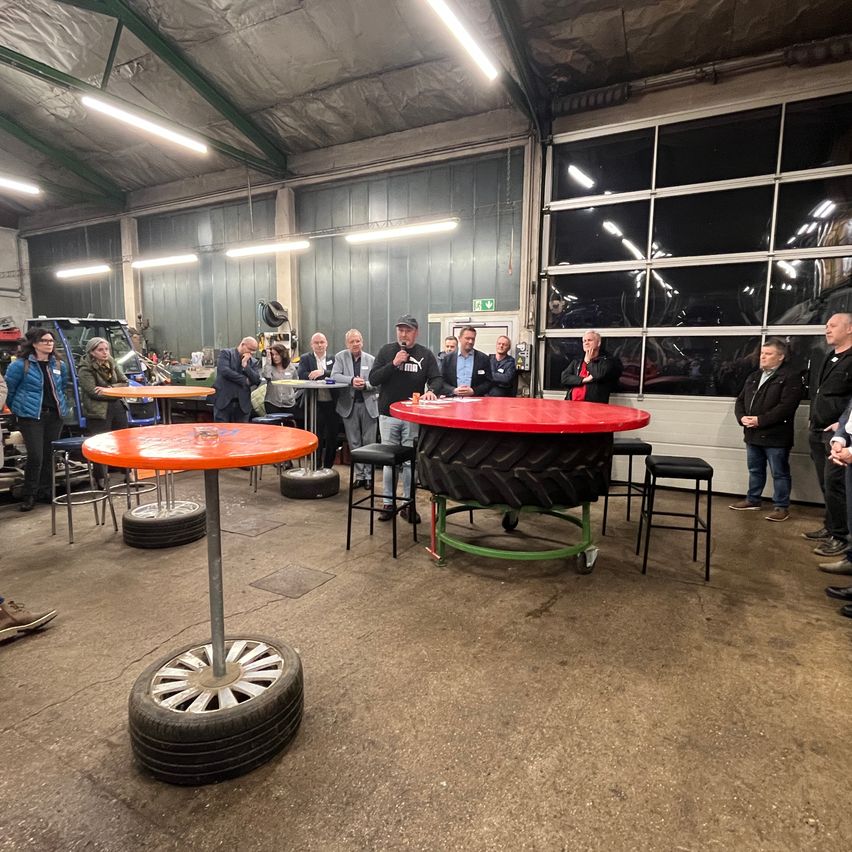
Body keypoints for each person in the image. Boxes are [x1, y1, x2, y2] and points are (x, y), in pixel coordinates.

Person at [369, 315, 442, 523]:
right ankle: (388, 503)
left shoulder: (425, 355)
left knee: (410, 463)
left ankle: (408, 505)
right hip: (388, 415)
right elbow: (373, 379)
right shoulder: (386, 352)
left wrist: (432, 391)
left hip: (412, 417)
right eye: (400, 330)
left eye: (407, 330)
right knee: (389, 463)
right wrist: (393, 364)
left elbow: (436, 378)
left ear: (415, 332)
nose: (403, 334)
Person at [728, 338, 802, 522]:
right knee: (755, 469)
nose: (763, 357)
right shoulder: (754, 376)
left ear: (781, 357)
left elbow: (786, 406)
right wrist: (742, 417)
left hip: (776, 436)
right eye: (762, 353)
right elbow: (740, 400)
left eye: (768, 354)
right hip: (752, 434)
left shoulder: (790, 377)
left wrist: (760, 420)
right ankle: (753, 499)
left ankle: (781, 507)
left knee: (779, 472)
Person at [4, 327, 70, 511]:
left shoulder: (58, 365)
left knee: (50, 455)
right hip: (31, 417)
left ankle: (46, 492)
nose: (49, 344)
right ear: (34, 344)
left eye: (51, 341)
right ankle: (29, 494)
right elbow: (9, 391)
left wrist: (61, 407)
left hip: (54, 416)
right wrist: (19, 409)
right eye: (45, 341)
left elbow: (62, 387)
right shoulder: (19, 365)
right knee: (36, 456)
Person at [803, 313, 852, 559]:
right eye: (826, 326)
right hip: (818, 429)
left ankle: (841, 536)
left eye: (833, 326)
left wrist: (841, 424)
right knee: (825, 483)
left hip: (838, 435)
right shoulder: (828, 357)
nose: (827, 330)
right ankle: (831, 526)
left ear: (850, 329)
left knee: (836, 484)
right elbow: (820, 392)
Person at [78, 337, 129, 487]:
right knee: (101, 444)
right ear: (92, 352)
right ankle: (101, 477)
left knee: (124, 441)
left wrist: (110, 389)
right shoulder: (85, 368)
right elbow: (93, 392)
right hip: (98, 411)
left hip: (118, 406)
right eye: (100, 350)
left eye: (106, 349)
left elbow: (125, 382)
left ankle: (128, 474)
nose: (105, 352)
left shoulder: (111, 363)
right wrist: (116, 390)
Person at [332, 329, 379, 490]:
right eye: (352, 341)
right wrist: (351, 380)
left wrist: (365, 384)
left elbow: (377, 381)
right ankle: (359, 476)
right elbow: (334, 376)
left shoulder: (371, 359)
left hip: (369, 405)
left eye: (357, 341)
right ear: (347, 344)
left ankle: (369, 476)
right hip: (348, 407)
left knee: (369, 443)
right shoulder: (340, 357)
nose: (355, 344)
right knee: (354, 443)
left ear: (362, 342)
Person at [298, 332, 339, 469]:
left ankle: (328, 467)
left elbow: (337, 374)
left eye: (322, 342)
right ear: (311, 344)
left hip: (332, 404)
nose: (320, 345)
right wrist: (324, 377)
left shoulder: (334, 359)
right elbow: (302, 375)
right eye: (316, 342)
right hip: (314, 404)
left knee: (332, 436)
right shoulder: (305, 359)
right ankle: (316, 465)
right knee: (317, 436)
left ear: (327, 343)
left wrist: (322, 373)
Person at [561, 330, 622, 403]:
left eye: (589, 340)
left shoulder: (607, 361)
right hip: (572, 404)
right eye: (584, 341)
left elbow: (598, 375)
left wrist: (588, 361)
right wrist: (585, 380)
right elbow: (564, 378)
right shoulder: (577, 362)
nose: (586, 343)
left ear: (598, 343)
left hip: (593, 406)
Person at [213, 336, 260, 423]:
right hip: (224, 402)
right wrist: (244, 380)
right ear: (242, 345)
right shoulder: (226, 354)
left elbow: (256, 380)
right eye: (250, 349)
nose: (251, 353)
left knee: (241, 433)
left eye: (254, 350)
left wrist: (246, 366)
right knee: (222, 432)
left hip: (242, 405)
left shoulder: (253, 362)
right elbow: (225, 371)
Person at [438, 326, 493, 397]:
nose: (470, 341)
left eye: (473, 339)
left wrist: (474, 391)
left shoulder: (483, 358)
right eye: (467, 338)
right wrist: (453, 390)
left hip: (475, 400)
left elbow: (489, 382)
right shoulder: (447, 359)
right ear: (459, 338)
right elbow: (441, 381)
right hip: (453, 400)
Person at [262, 343, 300, 418]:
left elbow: (296, 383)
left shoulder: (291, 367)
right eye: (273, 354)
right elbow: (266, 375)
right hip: (272, 402)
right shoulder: (269, 367)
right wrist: (268, 361)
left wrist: (291, 395)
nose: (275, 357)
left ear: (283, 354)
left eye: (277, 354)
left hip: (289, 403)